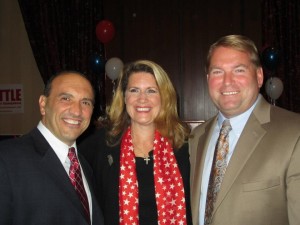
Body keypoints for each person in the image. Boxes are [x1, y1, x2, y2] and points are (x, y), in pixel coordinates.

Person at [189, 34, 300, 225]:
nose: (227, 81)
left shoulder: (294, 134)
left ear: (259, 76)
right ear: (207, 79)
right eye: (217, 72)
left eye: (238, 70)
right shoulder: (196, 137)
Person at [79, 60, 193, 225]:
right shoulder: (100, 145)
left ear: (164, 97)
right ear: (124, 97)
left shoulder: (184, 148)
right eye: (134, 90)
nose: (142, 99)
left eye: (151, 91)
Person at [0, 71, 104, 225]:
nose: (77, 111)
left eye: (86, 102)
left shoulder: (86, 165)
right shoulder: (6, 159)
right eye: (66, 98)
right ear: (43, 104)